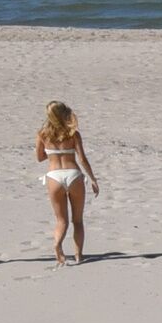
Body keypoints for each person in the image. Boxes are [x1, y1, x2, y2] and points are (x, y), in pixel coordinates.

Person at [35, 101, 102, 265]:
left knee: (61, 220)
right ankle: (78, 255)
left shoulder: (43, 134)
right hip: (73, 174)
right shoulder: (73, 134)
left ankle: (57, 244)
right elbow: (82, 159)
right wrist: (93, 179)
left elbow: (39, 157)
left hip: (54, 175)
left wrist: (52, 153)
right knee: (77, 220)